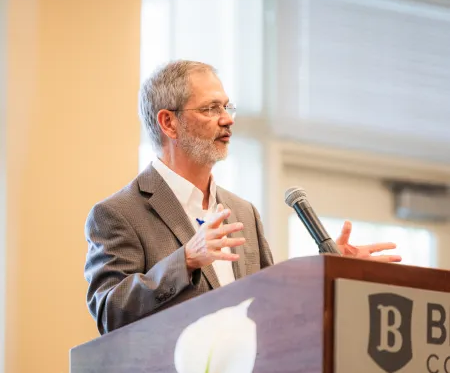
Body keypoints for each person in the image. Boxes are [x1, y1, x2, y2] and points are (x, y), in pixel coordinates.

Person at [84, 60, 401, 334]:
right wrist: (186, 259)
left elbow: (269, 306)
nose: (227, 119)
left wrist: (325, 273)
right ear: (169, 122)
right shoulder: (118, 213)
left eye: (226, 106)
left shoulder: (242, 212)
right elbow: (110, 312)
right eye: (211, 108)